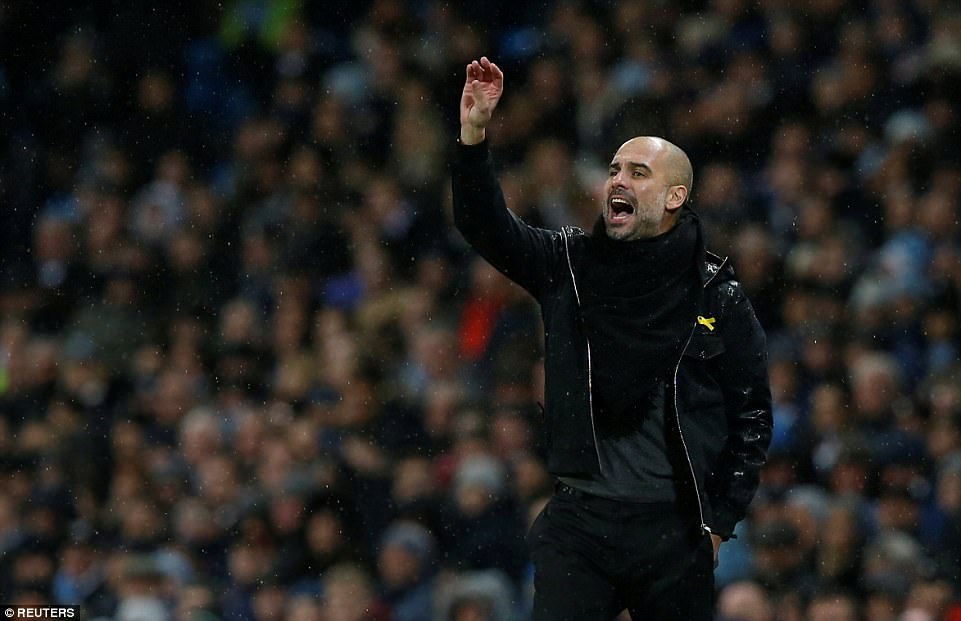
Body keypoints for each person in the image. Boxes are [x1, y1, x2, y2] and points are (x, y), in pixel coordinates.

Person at [451, 57, 773, 621]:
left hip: (674, 529)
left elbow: (752, 414)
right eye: (615, 169)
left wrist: (719, 522)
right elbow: (484, 225)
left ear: (674, 198)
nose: (619, 180)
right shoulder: (570, 265)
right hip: (582, 522)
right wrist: (474, 133)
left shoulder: (716, 296)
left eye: (638, 173)